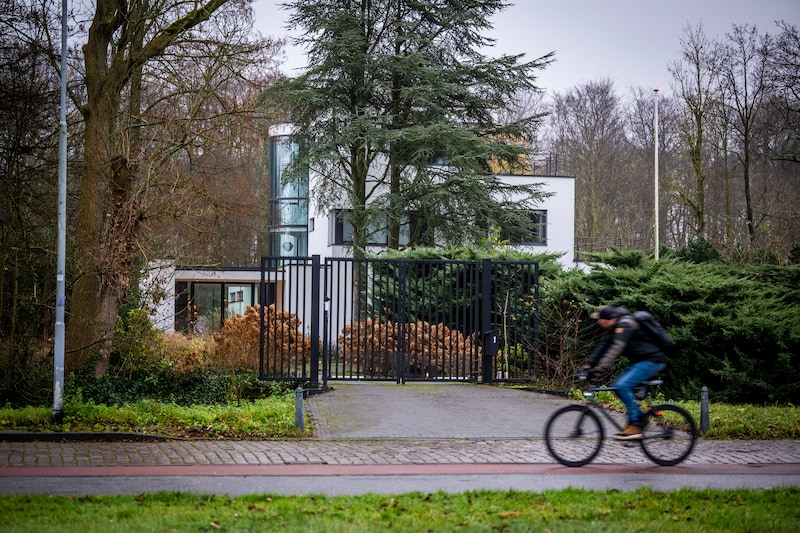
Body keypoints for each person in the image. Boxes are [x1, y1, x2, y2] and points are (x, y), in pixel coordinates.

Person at [584, 305, 667, 440]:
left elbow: (616, 347)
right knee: (616, 386)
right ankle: (642, 419)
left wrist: (599, 368)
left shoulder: (625, 324)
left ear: (606, 319)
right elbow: (603, 346)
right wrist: (589, 365)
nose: (598, 322)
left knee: (622, 386)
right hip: (640, 362)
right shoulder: (615, 328)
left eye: (599, 319)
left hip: (651, 360)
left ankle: (635, 425)